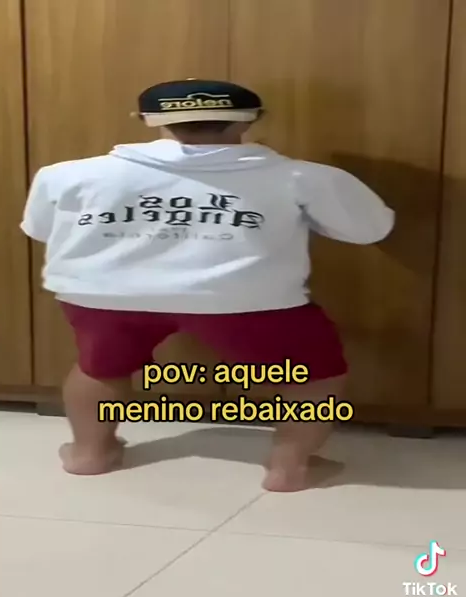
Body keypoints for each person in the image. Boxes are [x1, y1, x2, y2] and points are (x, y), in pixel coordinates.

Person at [21, 79, 394, 492]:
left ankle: (90, 454)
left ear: (144, 120)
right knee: (314, 377)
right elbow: (370, 229)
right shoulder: (302, 177)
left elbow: (40, 230)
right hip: (244, 300)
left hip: (101, 295)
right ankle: (289, 466)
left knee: (101, 368)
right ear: (252, 120)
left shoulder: (66, 174)